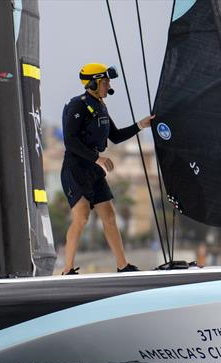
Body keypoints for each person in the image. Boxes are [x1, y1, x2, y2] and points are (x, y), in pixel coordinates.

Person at [60, 62, 155, 275]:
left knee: (109, 215)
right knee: (81, 216)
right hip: (76, 169)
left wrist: (141, 125)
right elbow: (71, 141)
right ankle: (67, 269)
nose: (108, 85)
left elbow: (115, 136)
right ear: (93, 83)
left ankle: (123, 265)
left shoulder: (101, 106)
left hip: (94, 168)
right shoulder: (79, 105)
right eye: (104, 81)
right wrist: (97, 159)